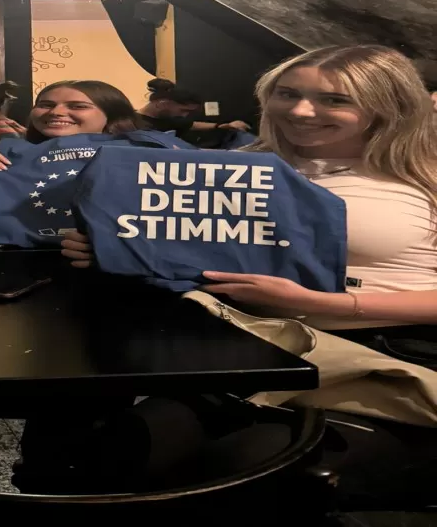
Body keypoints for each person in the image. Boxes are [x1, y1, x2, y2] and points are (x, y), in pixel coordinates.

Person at [58, 45, 437, 503]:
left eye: (335, 100)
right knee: (115, 454)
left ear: (388, 106)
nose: (300, 111)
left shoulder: (424, 177)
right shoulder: (232, 168)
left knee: (248, 474)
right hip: (245, 353)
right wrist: (110, 246)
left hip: (384, 360)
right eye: (286, 93)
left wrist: (322, 303)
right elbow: (183, 251)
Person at [0, 80, 140, 223]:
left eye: (78, 106)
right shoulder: (11, 157)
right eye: (46, 105)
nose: (56, 112)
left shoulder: (141, 162)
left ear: (112, 115)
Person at [136, 78, 249, 136]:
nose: (184, 115)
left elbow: (192, 125)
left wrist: (224, 126)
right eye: (183, 110)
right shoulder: (134, 124)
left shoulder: (167, 119)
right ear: (162, 104)